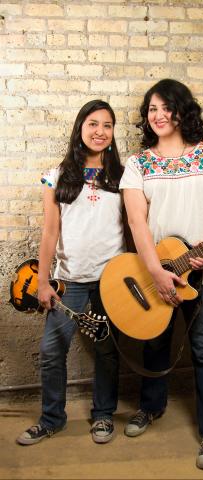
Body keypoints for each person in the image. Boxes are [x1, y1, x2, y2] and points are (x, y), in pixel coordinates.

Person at [119, 79, 203, 470]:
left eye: (166, 107)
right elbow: (137, 220)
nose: (158, 115)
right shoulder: (139, 163)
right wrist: (156, 270)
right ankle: (150, 407)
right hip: (157, 270)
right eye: (152, 109)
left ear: (182, 110)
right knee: (154, 342)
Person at [16, 99, 126, 446]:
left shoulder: (124, 176)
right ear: (80, 128)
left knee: (107, 351)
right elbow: (50, 232)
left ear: (112, 133)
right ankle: (52, 419)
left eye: (107, 125)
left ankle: (104, 415)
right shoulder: (57, 175)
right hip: (70, 281)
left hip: (112, 280)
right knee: (51, 350)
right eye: (93, 123)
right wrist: (45, 280)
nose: (100, 131)